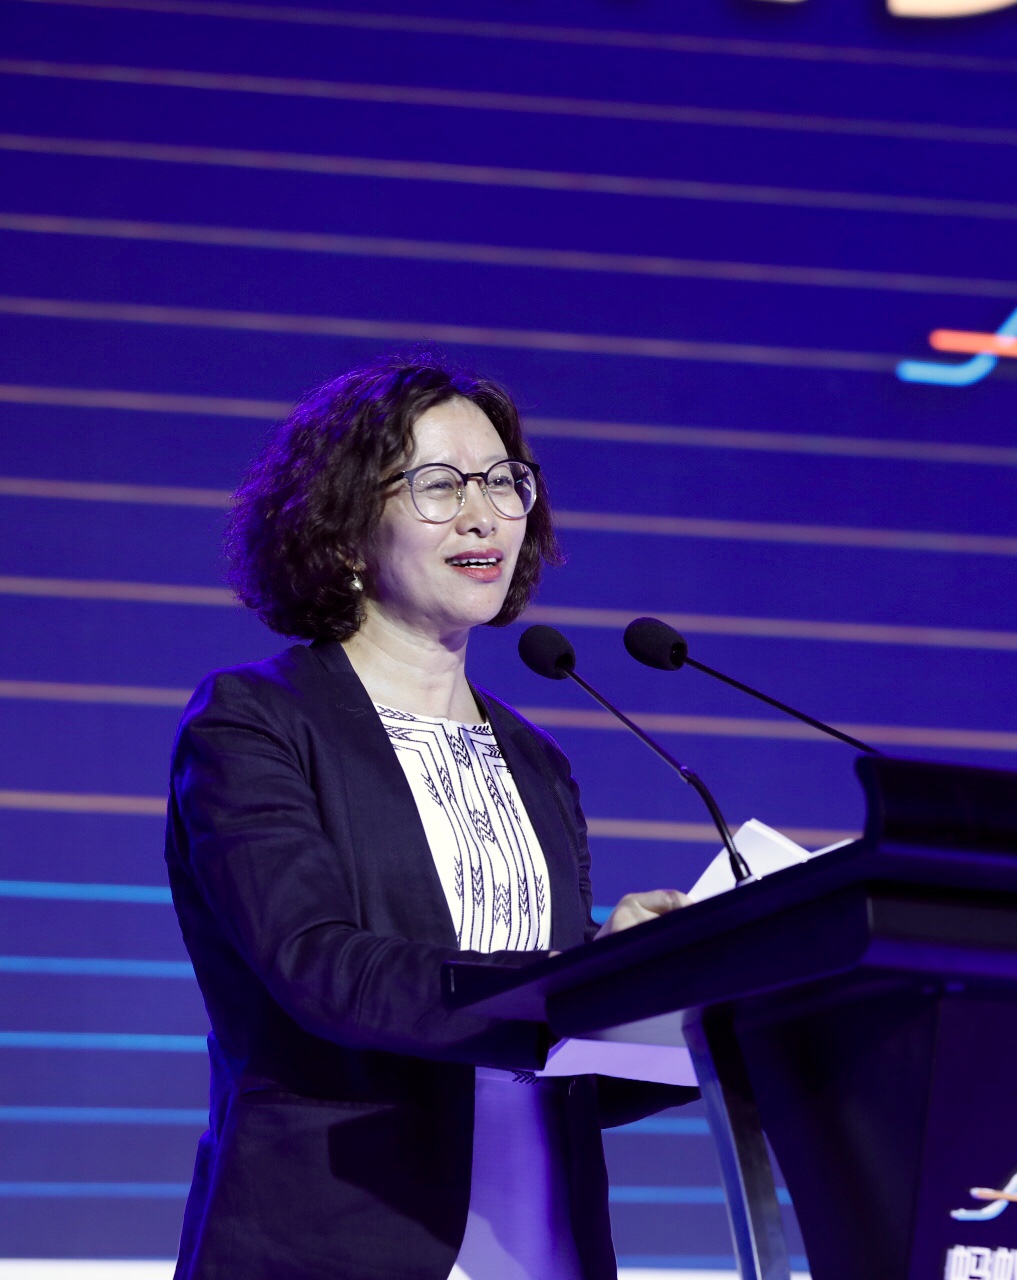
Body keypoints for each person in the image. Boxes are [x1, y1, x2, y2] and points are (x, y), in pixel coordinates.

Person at [164, 352, 696, 1280]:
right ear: (341, 529)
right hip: (336, 1243)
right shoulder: (254, 723)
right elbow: (320, 971)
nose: (484, 513)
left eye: (503, 481)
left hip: (544, 1249)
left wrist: (678, 995)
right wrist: (581, 979)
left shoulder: (535, 760)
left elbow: (549, 1060)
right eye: (440, 485)